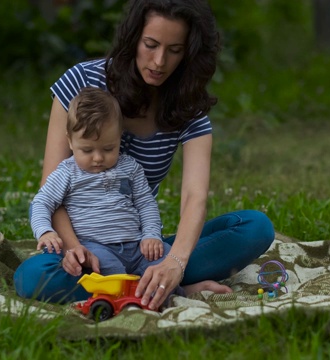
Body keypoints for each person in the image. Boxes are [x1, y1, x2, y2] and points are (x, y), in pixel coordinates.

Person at [14, 0, 275, 309]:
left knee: (256, 228)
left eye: (174, 50)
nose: (159, 61)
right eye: (150, 45)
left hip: (141, 247)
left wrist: (175, 261)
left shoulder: (188, 107)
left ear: (189, 52)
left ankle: (147, 282)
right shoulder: (81, 83)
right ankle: (167, 288)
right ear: (133, 39)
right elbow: (50, 193)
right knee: (32, 277)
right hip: (86, 249)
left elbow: (195, 197)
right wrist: (73, 249)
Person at [28, 87, 183, 303]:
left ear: (120, 137)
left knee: (165, 257)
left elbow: (146, 204)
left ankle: (171, 292)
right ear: (70, 141)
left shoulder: (131, 168)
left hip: (136, 246)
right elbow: (42, 202)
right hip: (96, 247)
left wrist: (151, 235)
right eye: (87, 150)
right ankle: (131, 298)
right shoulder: (67, 172)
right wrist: (45, 232)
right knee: (109, 272)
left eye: (108, 148)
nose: (98, 158)